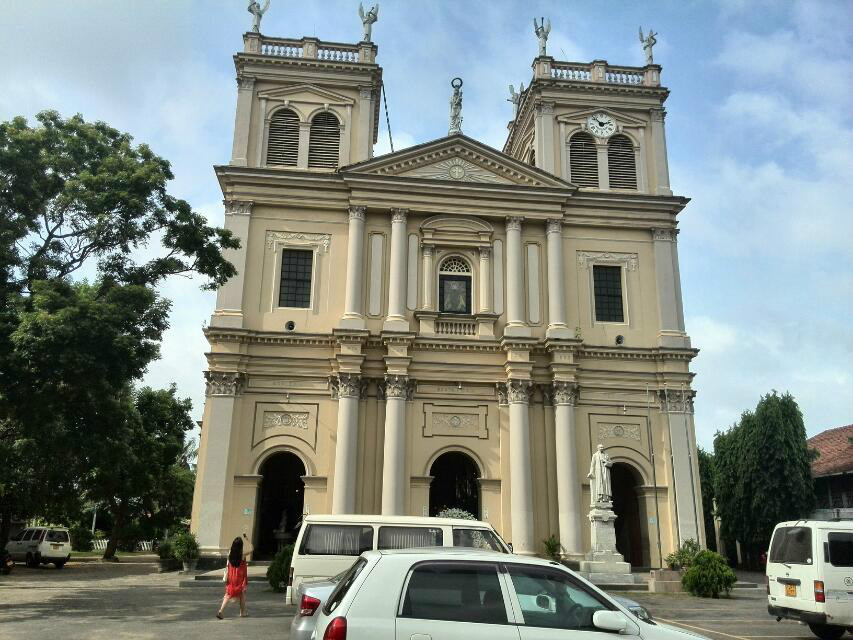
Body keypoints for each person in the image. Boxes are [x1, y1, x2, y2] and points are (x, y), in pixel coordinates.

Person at [217, 534, 251, 619]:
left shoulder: (230, 553)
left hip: (231, 576)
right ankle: (242, 612)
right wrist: (247, 539)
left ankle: (221, 611)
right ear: (241, 546)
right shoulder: (242, 555)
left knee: (228, 594)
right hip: (239, 577)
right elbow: (252, 549)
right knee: (241, 594)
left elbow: (228, 566)